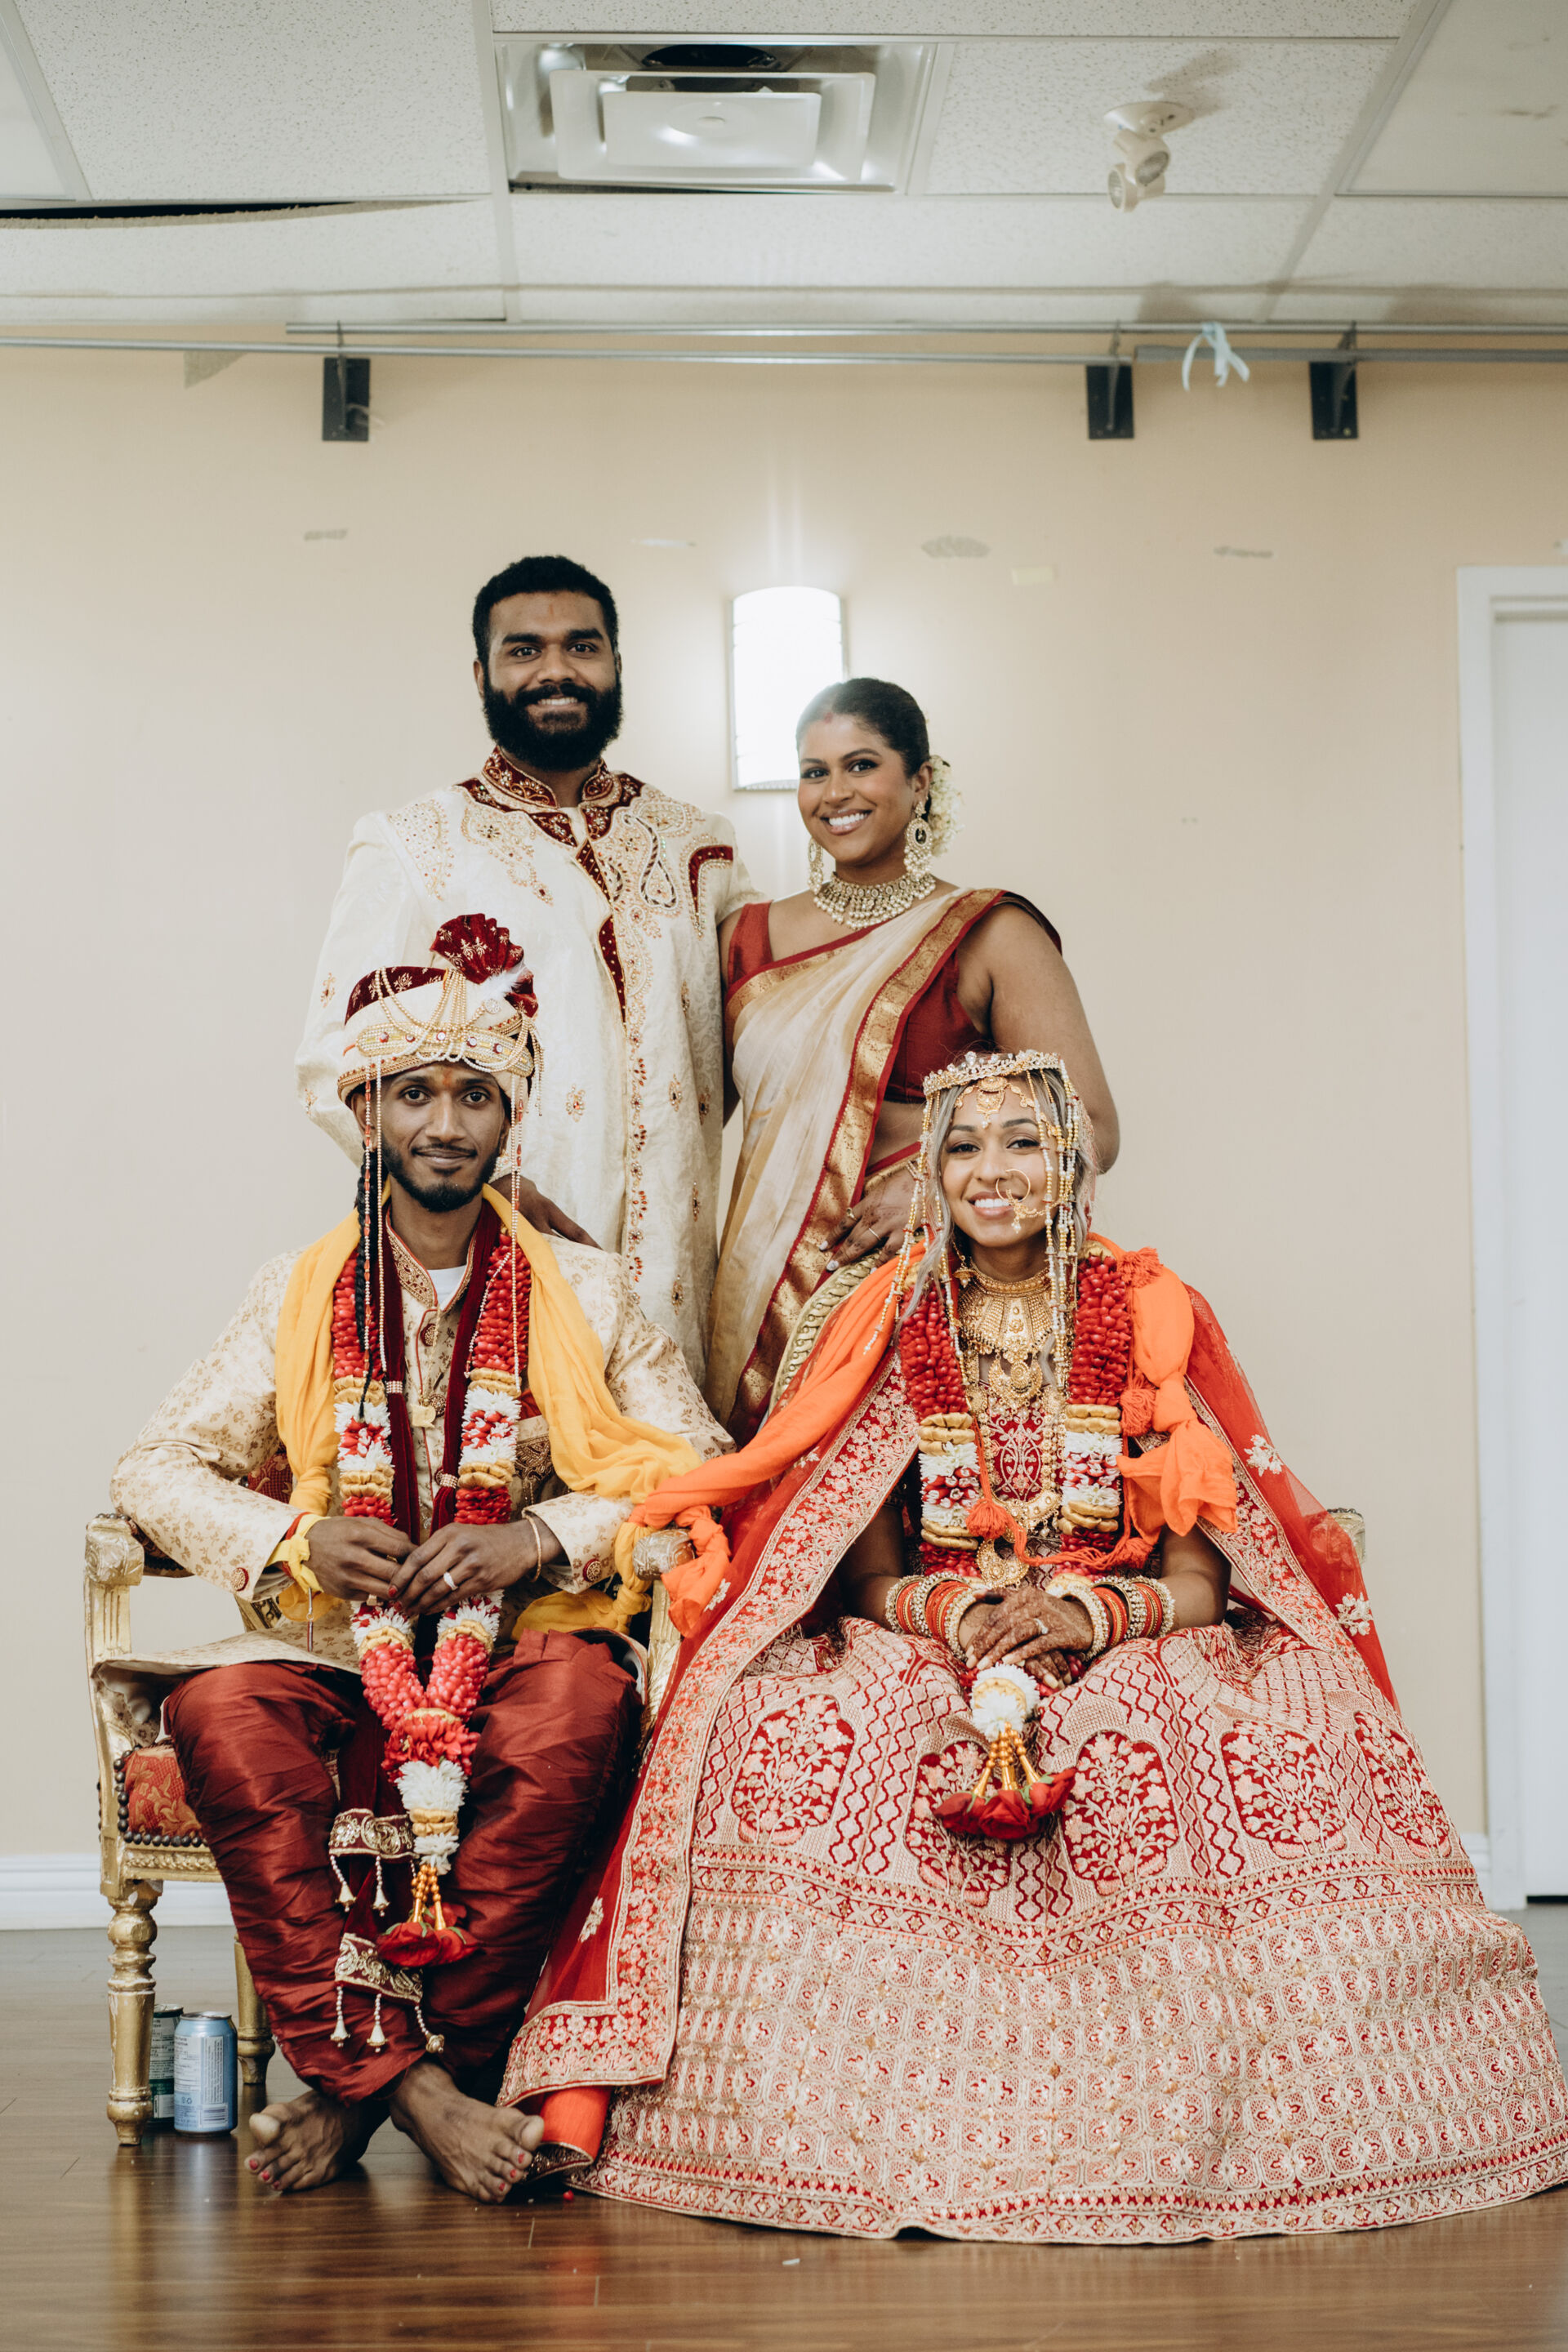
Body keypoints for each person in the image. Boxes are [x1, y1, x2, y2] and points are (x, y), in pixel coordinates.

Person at [499, 1049, 1568, 2240]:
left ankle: (1195, 2111)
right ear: (931, 1171)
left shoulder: (1150, 1308)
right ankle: (846, 2115)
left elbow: (1202, 1574)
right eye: (963, 1146)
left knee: (1192, 1725)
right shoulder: (888, 1313)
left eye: (1023, 1143)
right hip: (933, 1623)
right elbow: (858, 1563)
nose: (992, 1171)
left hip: (1124, 1625)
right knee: (788, 1719)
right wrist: (956, 1617)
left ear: (1071, 1164)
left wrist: (1087, 1619)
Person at [111, 914, 728, 2198]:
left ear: (510, 1121)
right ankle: (422, 2092)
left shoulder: (590, 1292)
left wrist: (537, 1535)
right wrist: (295, 1536)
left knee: (580, 1709)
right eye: (414, 1094)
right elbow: (153, 1471)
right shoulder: (294, 1290)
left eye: (473, 1096)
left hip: (527, 1641)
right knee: (221, 1711)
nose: (444, 1124)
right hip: (333, 1649)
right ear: (366, 1113)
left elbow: (700, 1463)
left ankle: (367, 2090)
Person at [296, 553, 758, 1378]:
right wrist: (489, 1183)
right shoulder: (415, 844)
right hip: (494, 1261)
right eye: (524, 650)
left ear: (615, 664)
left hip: (679, 1282)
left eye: (582, 646)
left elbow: (775, 1043)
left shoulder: (700, 848)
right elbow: (336, 1058)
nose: (555, 670)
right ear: (483, 675)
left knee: (673, 1452)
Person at [706, 676, 1116, 1439]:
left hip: (929, 1288)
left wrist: (933, 1189)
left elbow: (1090, 1123)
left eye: (861, 765)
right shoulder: (744, 939)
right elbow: (682, 1119)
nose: (835, 793)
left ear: (920, 781)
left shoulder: (989, 933)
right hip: (761, 1298)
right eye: (814, 772)